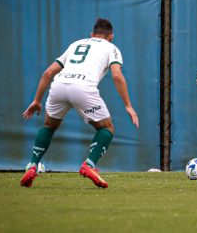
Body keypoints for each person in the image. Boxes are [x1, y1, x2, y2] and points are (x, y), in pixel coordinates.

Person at [20, 18, 139, 188]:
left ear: (91, 34)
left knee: (48, 126)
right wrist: (128, 105)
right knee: (106, 128)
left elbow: (48, 72)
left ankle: (32, 165)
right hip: (83, 88)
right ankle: (89, 165)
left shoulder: (76, 44)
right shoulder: (111, 48)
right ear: (111, 36)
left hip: (59, 85)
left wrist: (37, 100)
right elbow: (117, 75)